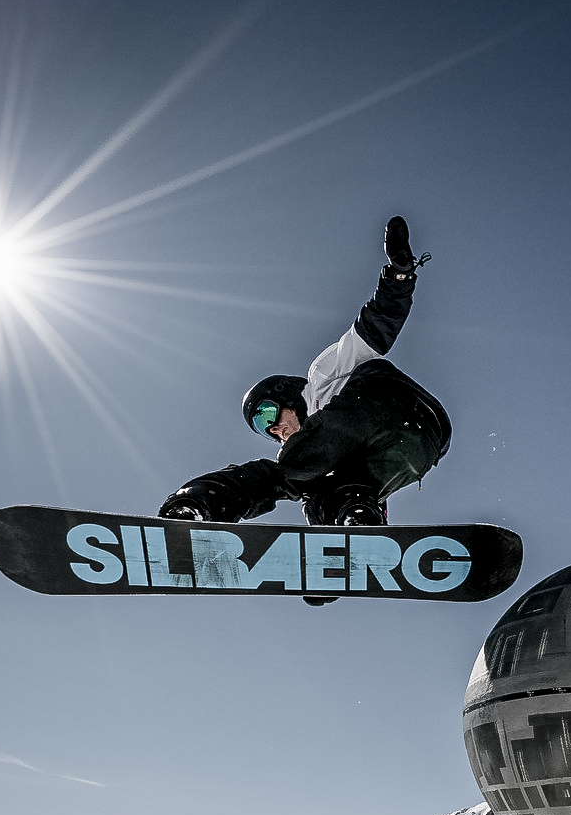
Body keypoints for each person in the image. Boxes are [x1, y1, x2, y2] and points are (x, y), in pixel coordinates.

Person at [157, 216, 449, 606]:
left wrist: (398, 275)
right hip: (423, 446)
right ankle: (351, 527)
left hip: (382, 405)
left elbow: (375, 328)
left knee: (277, 473)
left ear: (286, 396)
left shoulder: (321, 379)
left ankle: (200, 506)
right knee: (336, 491)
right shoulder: (328, 455)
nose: (274, 430)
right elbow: (347, 489)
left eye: (267, 415)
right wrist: (331, 567)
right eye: (264, 429)